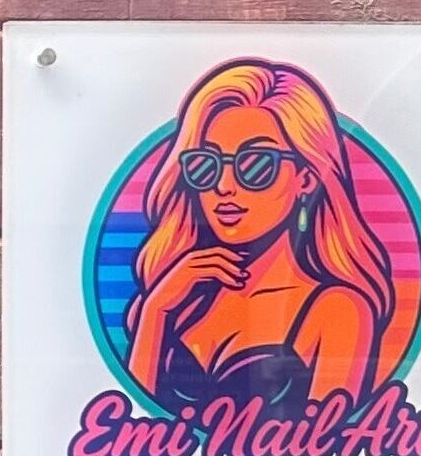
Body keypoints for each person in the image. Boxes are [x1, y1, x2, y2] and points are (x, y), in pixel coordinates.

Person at [125, 59, 397, 414]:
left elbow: (327, 455)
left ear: (306, 178)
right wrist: (155, 309)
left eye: (255, 165)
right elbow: (134, 414)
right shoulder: (180, 296)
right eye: (205, 165)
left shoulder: (337, 308)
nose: (224, 187)